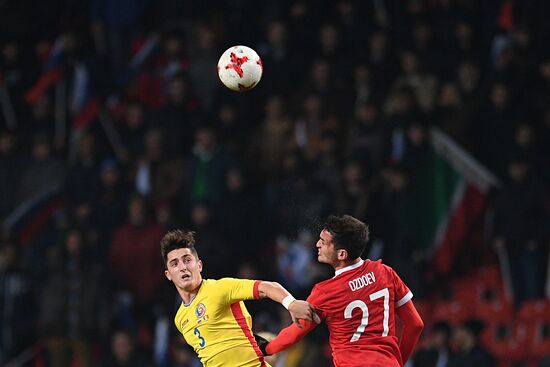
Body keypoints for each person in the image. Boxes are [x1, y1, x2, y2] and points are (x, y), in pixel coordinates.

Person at [258, 215, 424, 367]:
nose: (317, 244)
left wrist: (265, 348)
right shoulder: (385, 273)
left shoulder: (326, 292)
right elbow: (416, 324)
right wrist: (398, 362)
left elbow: (295, 333)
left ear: (342, 254)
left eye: (324, 242)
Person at [161, 229, 316, 367]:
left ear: (199, 265)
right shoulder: (180, 319)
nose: (183, 267)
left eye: (187, 260)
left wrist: (291, 303)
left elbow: (266, 287)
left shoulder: (220, 288)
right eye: (174, 264)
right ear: (168, 275)